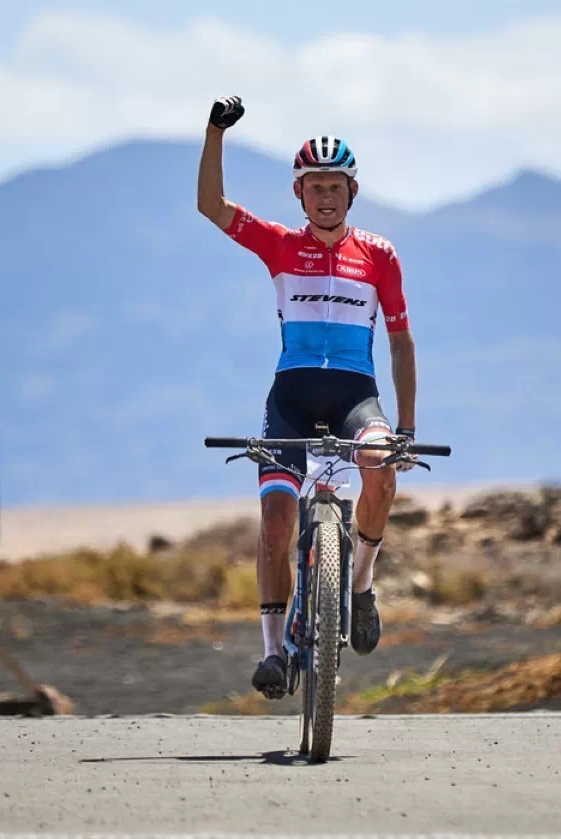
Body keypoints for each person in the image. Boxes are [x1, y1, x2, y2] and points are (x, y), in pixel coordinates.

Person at [196, 95, 418, 699]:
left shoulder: (379, 255)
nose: (325, 195)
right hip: (290, 400)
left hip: (355, 399)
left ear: (352, 192)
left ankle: (362, 584)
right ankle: (272, 653)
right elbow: (210, 206)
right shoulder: (279, 245)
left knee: (379, 466)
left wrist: (407, 425)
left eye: (335, 186)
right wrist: (215, 131)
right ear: (300, 194)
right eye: (314, 185)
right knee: (274, 521)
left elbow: (400, 343)